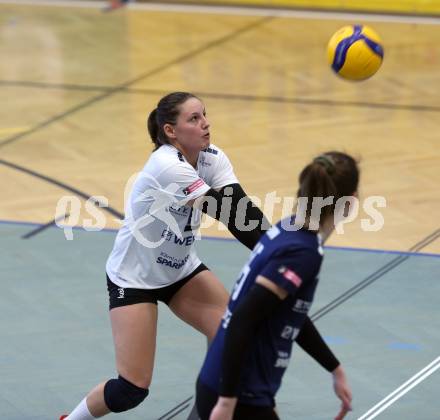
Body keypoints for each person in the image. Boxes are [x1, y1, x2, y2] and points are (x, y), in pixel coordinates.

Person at [60, 93, 350, 420]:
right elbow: (230, 217)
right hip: (134, 277)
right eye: (194, 119)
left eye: (204, 115)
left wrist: (275, 249)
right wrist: (278, 251)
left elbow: (245, 213)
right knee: (132, 389)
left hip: (181, 270)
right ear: (171, 131)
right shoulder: (167, 167)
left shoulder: (212, 157)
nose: (205, 123)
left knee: (227, 334)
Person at [196, 151, 358, 420]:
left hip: (224, 385)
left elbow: (290, 312)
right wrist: (227, 403)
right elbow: (242, 320)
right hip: (241, 396)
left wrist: (335, 368)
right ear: (350, 203)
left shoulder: (287, 229)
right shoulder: (303, 252)